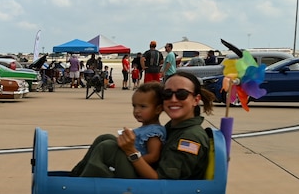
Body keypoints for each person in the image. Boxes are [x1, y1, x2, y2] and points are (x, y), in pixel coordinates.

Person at [70, 72, 214, 180]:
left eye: (182, 94)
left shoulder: (190, 138)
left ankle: (77, 190)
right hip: (148, 180)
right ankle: (73, 178)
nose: (173, 99)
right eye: (167, 93)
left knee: (107, 147)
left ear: (196, 100)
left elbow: (163, 182)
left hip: (155, 193)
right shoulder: (175, 128)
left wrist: (131, 152)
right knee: (106, 138)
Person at [126, 82, 166, 167]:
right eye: (134, 106)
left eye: (143, 106)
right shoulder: (146, 129)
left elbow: (154, 156)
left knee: (106, 143)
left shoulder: (153, 132)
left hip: (135, 167)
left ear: (158, 109)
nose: (137, 110)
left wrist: (129, 162)